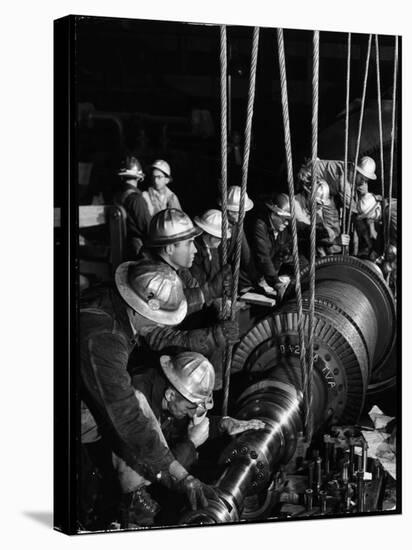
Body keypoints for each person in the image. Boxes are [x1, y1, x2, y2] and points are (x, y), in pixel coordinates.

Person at [80, 261, 218, 529]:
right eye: (159, 319)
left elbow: (166, 308)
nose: (162, 325)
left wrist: (207, 293)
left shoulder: (117, 300)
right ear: (139, 307)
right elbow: (128, 420)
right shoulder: (104, 339)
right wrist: (178, 474)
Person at [123, 351, 265, 524]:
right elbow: (157, 467)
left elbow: (177, 429)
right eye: (190, 407)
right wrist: (191, 443)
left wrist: (222, 424)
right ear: (171, 395)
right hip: (111, 482)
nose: (192, 414)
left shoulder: (169, 394)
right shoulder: (138, 402)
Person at [136, 208, 237, 387]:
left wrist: (212, 295)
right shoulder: (148, 279)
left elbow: (191, 296)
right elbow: (157, 339)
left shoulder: (179, 269)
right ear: (169, 248)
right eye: (189, 243)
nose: (195, 249)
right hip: (157, 369)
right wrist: (210, 338)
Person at [250, 193, 298, 299]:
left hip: (265, 278)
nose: (286, 223)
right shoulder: (260, 226)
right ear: (273, 214)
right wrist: (276, 283)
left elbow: (285, 251)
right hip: (250, 279)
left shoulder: (282, 230)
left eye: (288, 219)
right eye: (283, 218)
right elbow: (263, 257)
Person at [219, 185, 261, 292]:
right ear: (228, 211)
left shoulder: (237, 227)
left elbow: (246, 256)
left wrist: (256, 281)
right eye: (239, 212)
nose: (243, 215)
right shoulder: (216, 225)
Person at [114, 156, 151, 257]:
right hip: (138, 251)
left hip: (121, 248)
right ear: (139, 177)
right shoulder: (136, 200)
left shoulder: (117, 197)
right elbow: (148, 229)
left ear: (121, 176)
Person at [191, 209, 232, 291]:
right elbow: (198, 281)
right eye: (220, 238)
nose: (221, 242)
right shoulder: (195, 251)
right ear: (211, 236)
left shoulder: (213, 249)